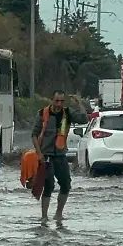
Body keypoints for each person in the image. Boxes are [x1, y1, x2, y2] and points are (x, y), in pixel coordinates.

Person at [32, 90, 90, 223]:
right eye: (56, 101)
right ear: (52, 100)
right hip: (46, 155)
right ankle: (44, 216)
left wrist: (79, 103)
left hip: (60, 155)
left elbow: (84, 119)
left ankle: (58, 214)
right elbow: (34, 134)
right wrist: (39, 153)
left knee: (65, 184)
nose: (59, 104)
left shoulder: (68, 113)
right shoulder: (42, 113)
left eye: (62, 101)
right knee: (49, 185)